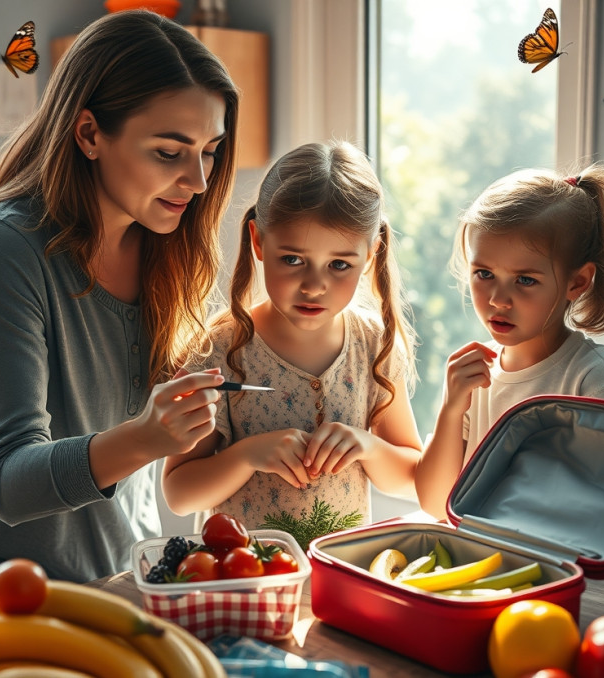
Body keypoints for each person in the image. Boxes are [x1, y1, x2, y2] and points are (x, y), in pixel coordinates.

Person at [0, 10, 240, 593]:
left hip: (107, 576)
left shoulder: (167, 252)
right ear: (90, 133)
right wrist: (145, 437)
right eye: (169, 153)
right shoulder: (3, 249)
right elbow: (5, 481)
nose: (197, 181)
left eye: (210, 151)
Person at [161, 140, 423, 532]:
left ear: (370, 256)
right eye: (293, 260)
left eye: (339, 264)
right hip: (243, 581)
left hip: (336, 580)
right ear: (258, 242)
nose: (314, 285)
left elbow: (409, 476)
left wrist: (367, 447)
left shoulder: (374, 345)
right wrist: (246, 455)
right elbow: (179, 494)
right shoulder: (217, 348)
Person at [415, 164, 604, 523]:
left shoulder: (593, 380)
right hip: (493, 571)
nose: (498, 300)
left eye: (524, 279)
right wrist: (451, 409)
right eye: (484, 274)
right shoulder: (474, 374)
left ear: (577, 282)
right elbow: (435, 502)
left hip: (572, 578)